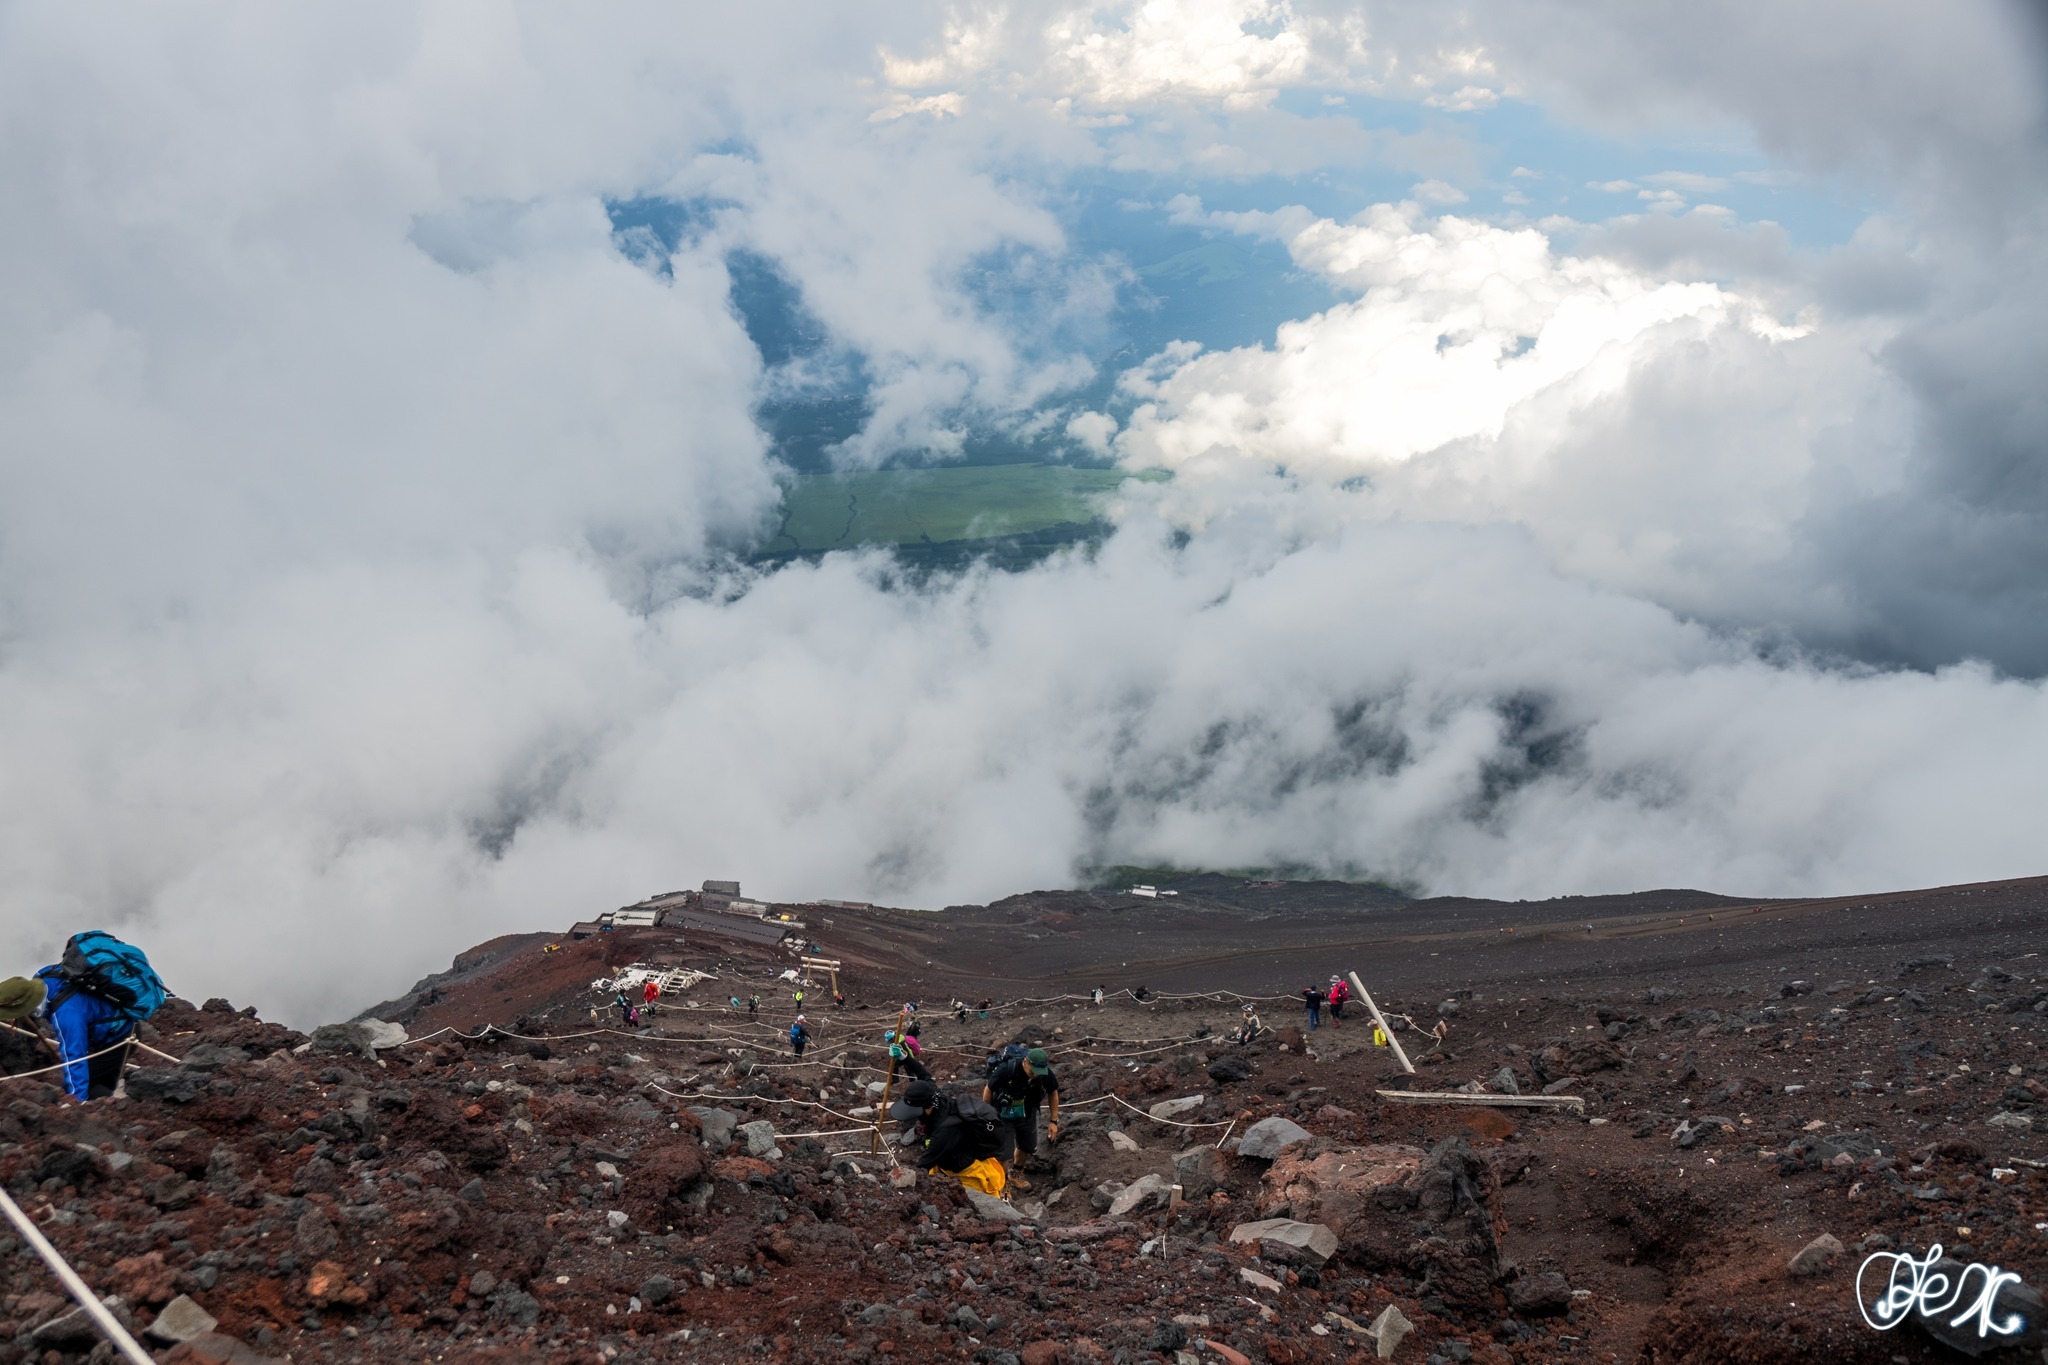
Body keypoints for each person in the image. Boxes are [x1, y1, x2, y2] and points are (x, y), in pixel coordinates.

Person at [2, 932, 164, 1103]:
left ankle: (112, 1106)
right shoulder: (43, 975)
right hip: (101, 1031)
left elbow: (75, 1057)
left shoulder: (66, 1015)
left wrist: (76, 1102)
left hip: (120, 1039)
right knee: (91, 1073)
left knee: (95, 1088)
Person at [889, 1079, 1014, 1196]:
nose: (918, 1118)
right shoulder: (936, 1097)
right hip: (949, 1160)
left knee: (975, 1204)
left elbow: (923, 1165)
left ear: (927, 1106)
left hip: (968, 1173)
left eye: (918, 1112)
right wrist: (905, 1058)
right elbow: (923, 1075)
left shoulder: (945, 1131)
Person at [982, 1046, 1060, 1186]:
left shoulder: (1044, 1073)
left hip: (1026, 1110)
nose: (1036, 1075)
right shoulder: (1006, 1070)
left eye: (1039, 1072)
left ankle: (1016, 1173)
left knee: (1028, 1145)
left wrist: (1053, 1121)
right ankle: (1003, 1184)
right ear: (1025, 1062)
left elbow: (1053, 1092)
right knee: (1004, 1152)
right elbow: (988, 1089)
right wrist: (986, 1114)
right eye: (1033, 1071)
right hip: (1002, 1112)